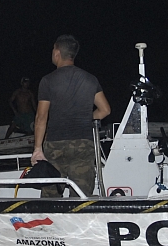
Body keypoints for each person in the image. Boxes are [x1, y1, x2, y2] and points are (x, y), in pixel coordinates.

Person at [31, 35, 111, 197]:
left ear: (57, 53)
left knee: (51, 196)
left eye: (53, 49)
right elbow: (105, 110)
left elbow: (41, 117)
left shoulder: (48, 81)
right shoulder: (90, 79)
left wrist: (38, 149)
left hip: (55, 146)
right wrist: (84, 119)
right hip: (83, 144)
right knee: (80, 197)